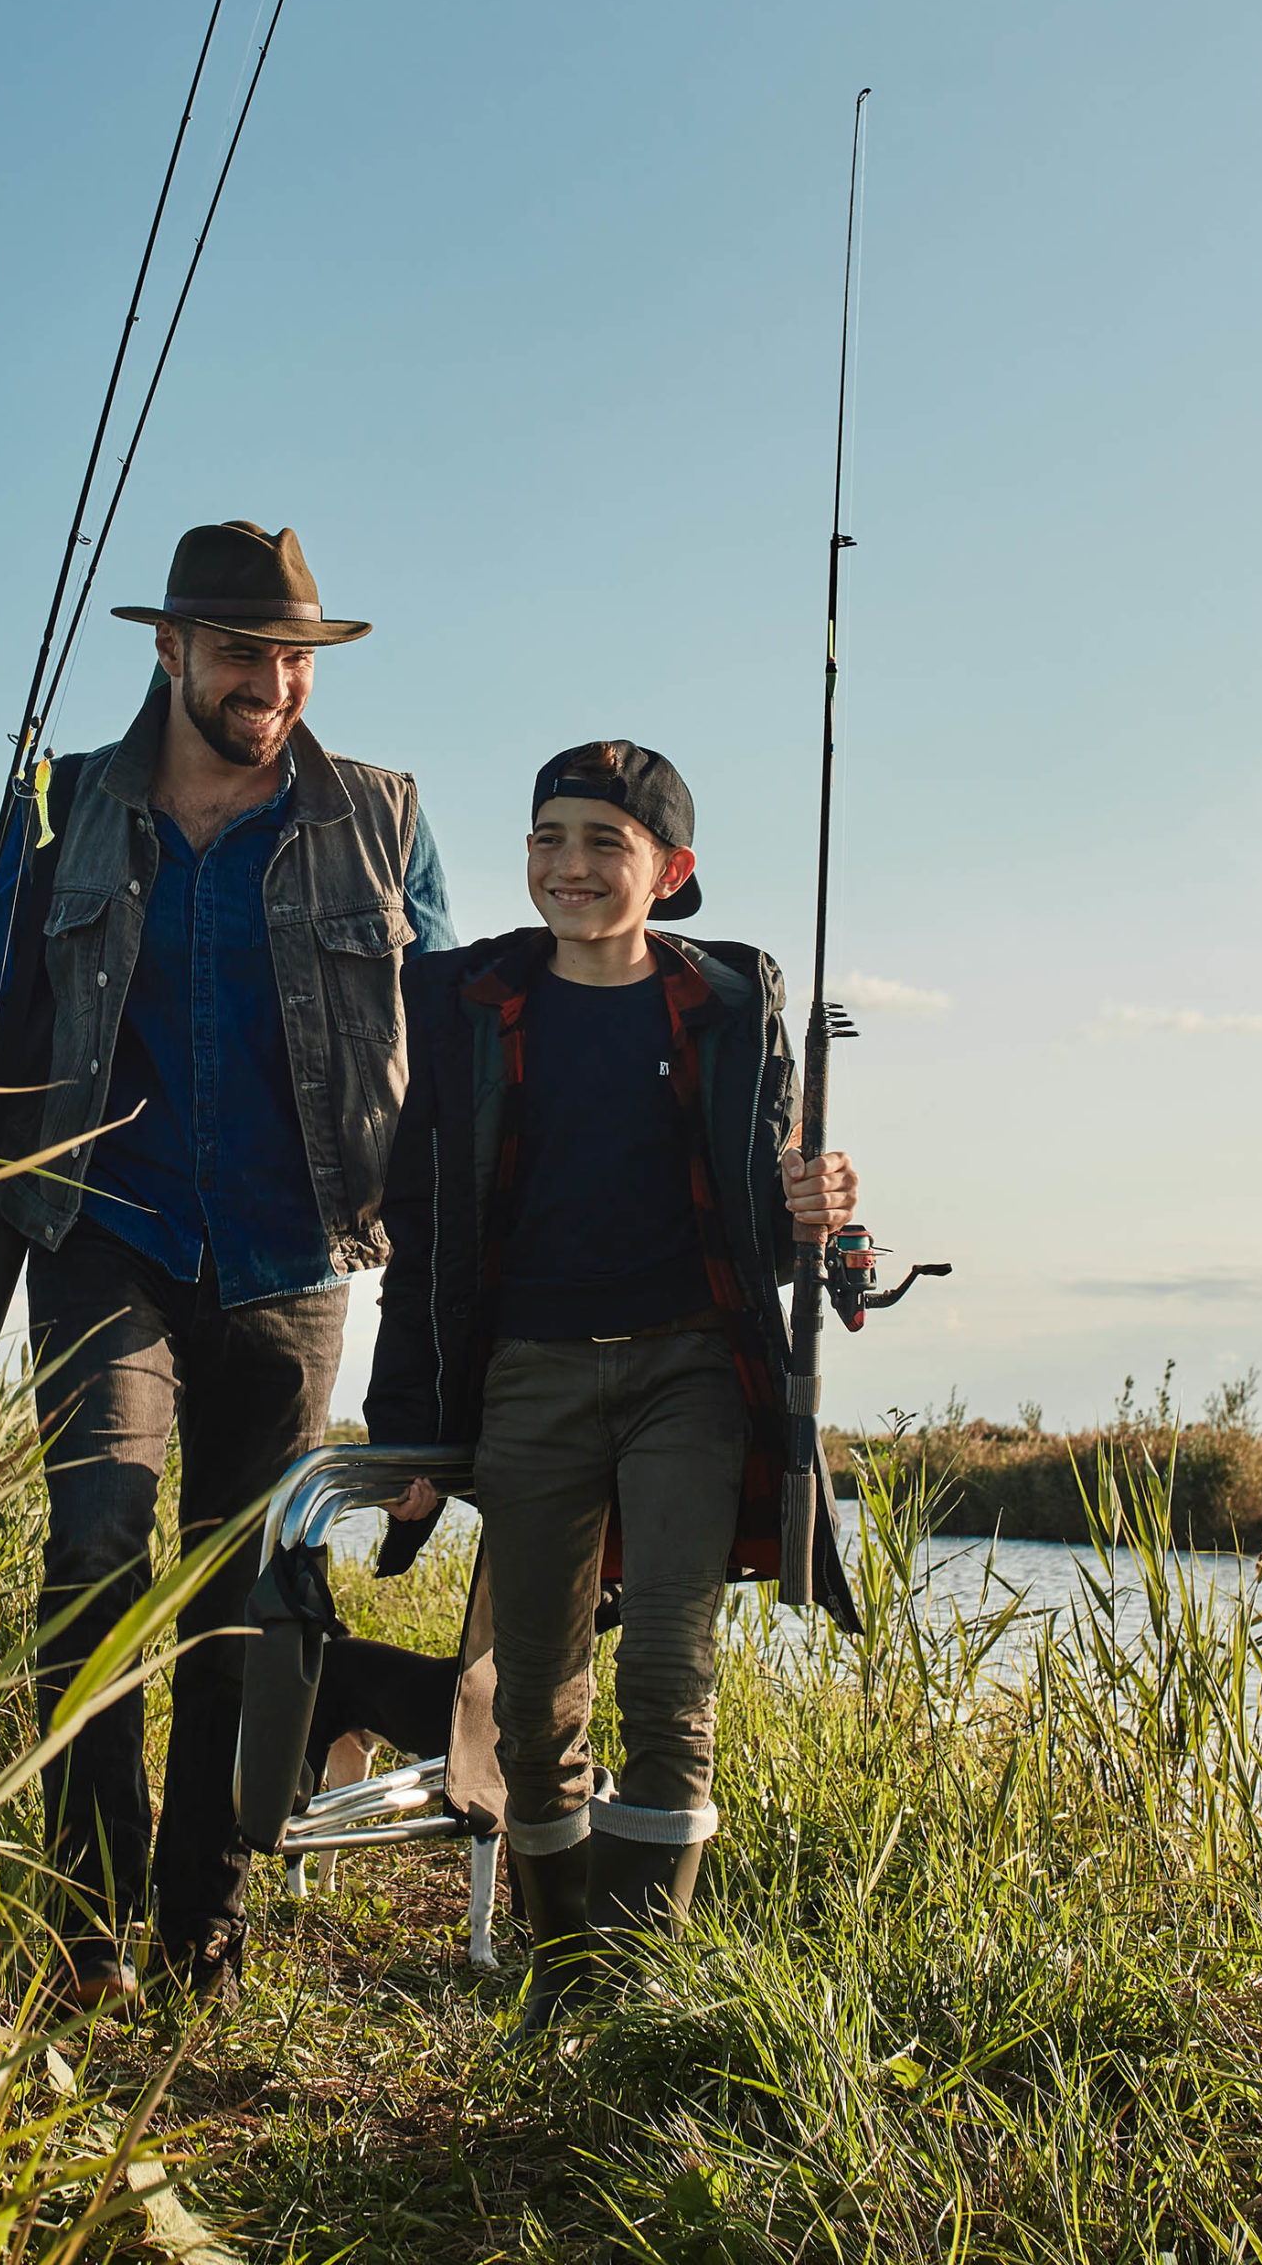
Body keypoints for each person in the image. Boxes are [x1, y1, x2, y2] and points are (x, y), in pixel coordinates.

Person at [0, 519, 455, 2013]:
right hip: (96, 1229)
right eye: (248, 652)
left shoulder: (383, 818)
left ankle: (199, 1918)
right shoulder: (62, 803)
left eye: (296, 658)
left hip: (294, 1251)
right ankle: (83, 1920)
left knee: (240, 1590)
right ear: (170, 648)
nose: (275, 682)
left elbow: (456, 1045)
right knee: (92, 1554)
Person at [363, 739, 860, 2033]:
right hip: (526, 1381)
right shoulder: (463, 999)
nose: (569, 867)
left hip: (690, 1376)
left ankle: (635, 1989)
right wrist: (409, 1425)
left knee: (672, 1679)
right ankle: (564, 1974)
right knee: (534, 1698)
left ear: (670, 871)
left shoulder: (733, 1003)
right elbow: (418, 1222)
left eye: (604, 845)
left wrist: (822, 1203)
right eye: (549, 840)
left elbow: (783, 1191)